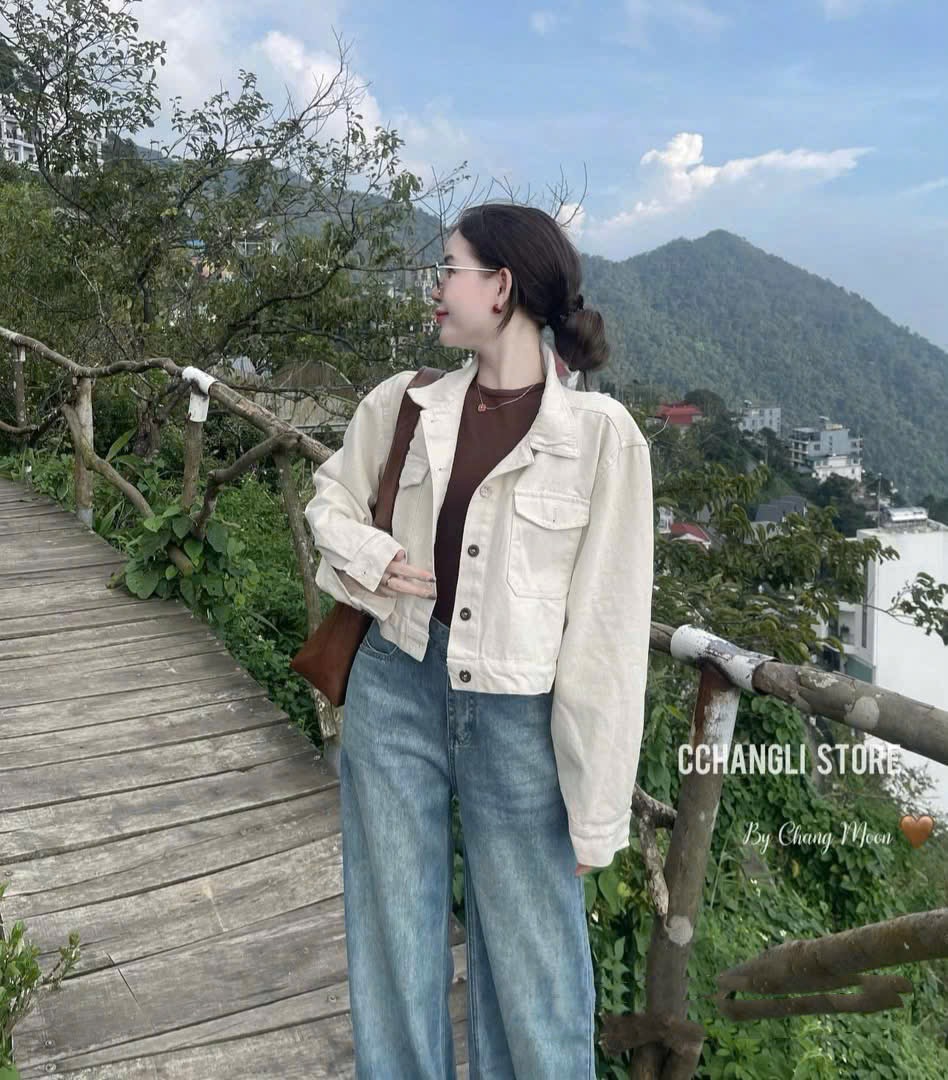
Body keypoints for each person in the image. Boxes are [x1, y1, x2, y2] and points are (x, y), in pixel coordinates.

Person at [304, 202, 654, 1079]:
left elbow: (607, 638)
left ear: (501, 287)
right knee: (392, 934)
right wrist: (374, 557)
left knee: (537, 969)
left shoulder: (599, 439)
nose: (436, 285)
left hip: (518, 718)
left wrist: (597, 807)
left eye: (449, 268)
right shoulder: (405, 402)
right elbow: (330, 499)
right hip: (395, 683)